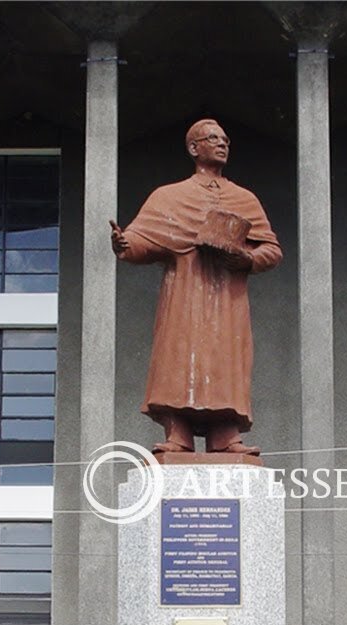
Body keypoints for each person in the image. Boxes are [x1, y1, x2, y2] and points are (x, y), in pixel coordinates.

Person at [111, 118, 283, 457]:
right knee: (178, 361)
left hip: (228, 300)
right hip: (184, 295)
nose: (222, 144)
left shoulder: (243, 198)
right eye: (212, 139)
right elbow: (143, 241)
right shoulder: (170, 196)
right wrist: (124, 244)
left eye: (225, 140)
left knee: (226, 362)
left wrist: (246, 260)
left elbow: (272, 250)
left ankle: (225, 436)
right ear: (194, 148)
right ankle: (178, 435)